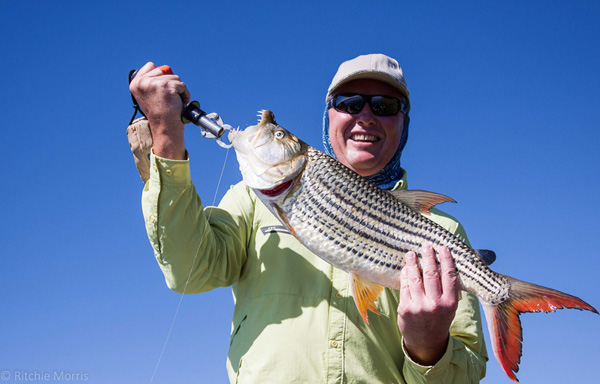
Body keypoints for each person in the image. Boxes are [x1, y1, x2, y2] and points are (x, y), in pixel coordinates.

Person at [130, 53, 488, 383]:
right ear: (329, 115)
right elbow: (189, 271)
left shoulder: (442, 231)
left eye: (384, 105)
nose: (365, 116)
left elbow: (467, 372)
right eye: (349, 104)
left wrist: (428, 346)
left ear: (403, 121)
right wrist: (166, 139)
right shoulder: (250, 199)